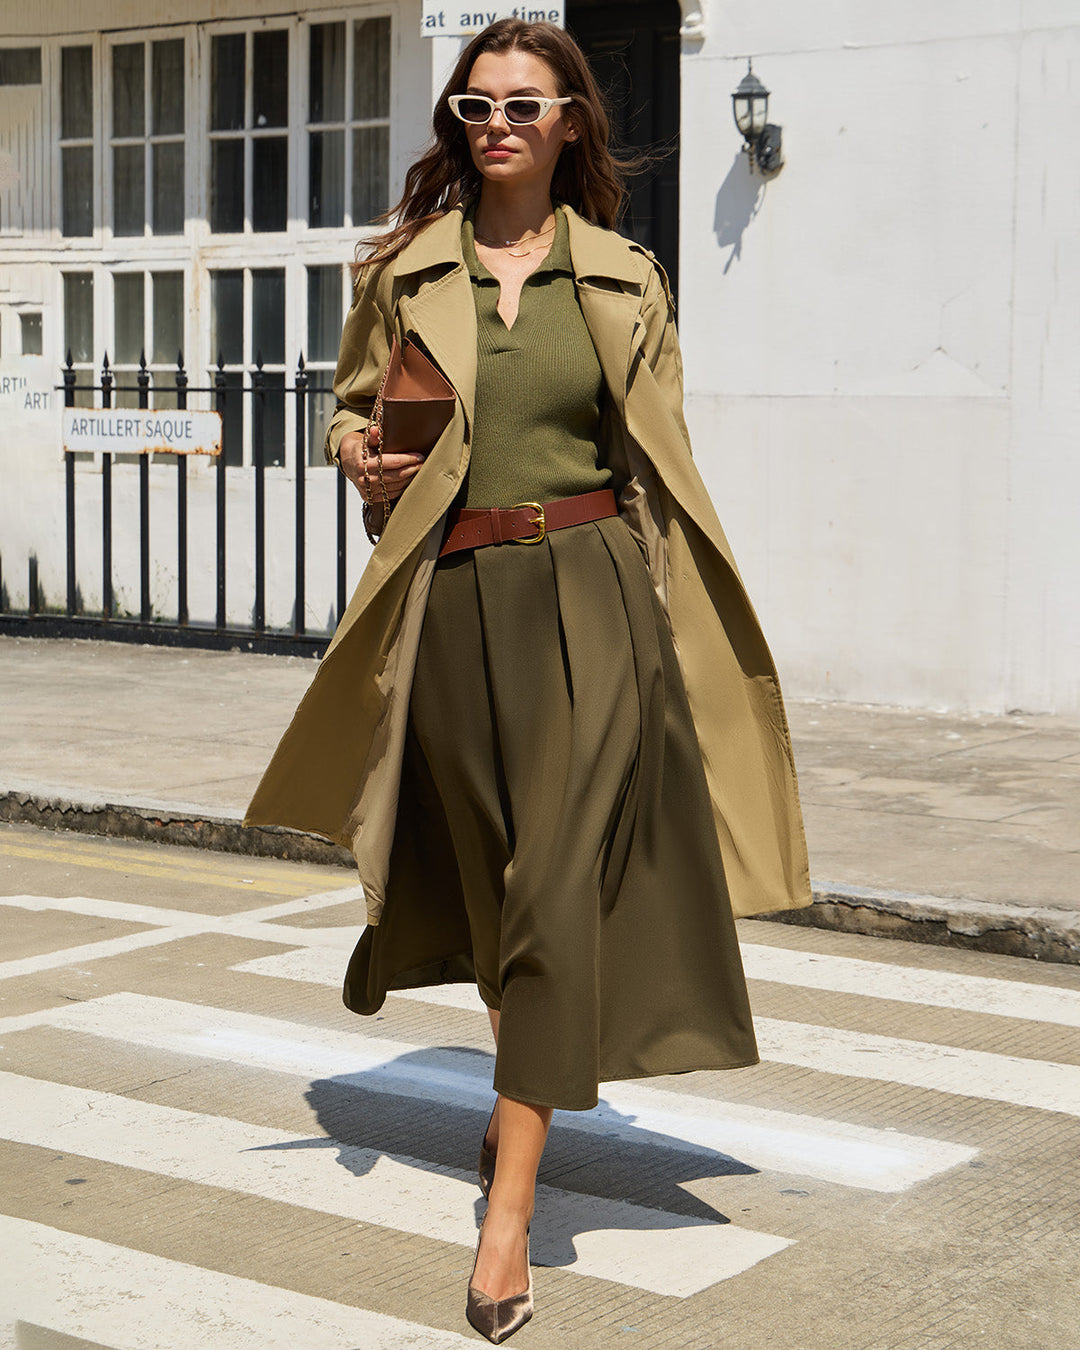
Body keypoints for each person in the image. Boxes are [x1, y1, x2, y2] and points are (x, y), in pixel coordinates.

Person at [245, 17, 810, 1344]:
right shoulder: (405, 271)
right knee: (501, 893)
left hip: (594, 598)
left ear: (568, 124)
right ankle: (529, 1082)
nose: (496, 123)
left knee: (553, 886)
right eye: (476, 104)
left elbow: (655, 459)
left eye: (522, 104)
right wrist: (359, 455)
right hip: (453, 603)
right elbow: (350, 409)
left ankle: (508, 1216)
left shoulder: (624, 278)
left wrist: (671, 640)